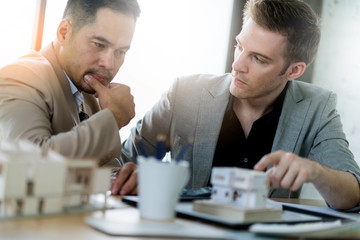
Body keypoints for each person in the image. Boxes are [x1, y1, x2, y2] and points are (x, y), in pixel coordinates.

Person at [116, 0, 360, 210]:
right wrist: (136, 178)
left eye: (258, 59)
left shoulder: (317, 107)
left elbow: (353, 195)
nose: (237, 65)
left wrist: (316, 171)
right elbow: (121, 163)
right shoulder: (184, 93)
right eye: (239, 47)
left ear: (294, 70)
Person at [0, 0, 140, 194]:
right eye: (99, 44)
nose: (109, 63)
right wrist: (113, 118)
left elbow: (104, 170)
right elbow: (28, 168)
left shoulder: (89, 93)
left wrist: (124, 179)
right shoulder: (19, 78)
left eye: (121, 52)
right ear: (64, 32)